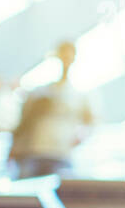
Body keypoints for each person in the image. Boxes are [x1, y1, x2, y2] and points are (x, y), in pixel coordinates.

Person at [7, 42, 96, 177]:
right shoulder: (40, 91)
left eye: (69, 56)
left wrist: (81, 136)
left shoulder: (79, 96)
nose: (66, 60)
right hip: (36, 153)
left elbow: (91, 122)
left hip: (61, 154)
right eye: (63, 55)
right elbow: (23, 122)